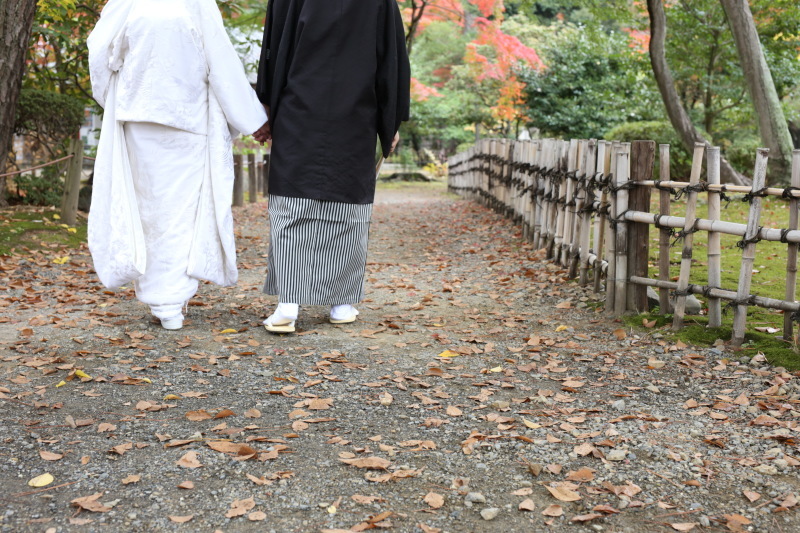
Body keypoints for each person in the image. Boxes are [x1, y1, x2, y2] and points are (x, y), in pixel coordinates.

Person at [87, 0, 269, 330]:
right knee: (179, 214)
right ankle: (170, 299)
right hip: (186, 116)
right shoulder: (197, 4)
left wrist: (118, 95)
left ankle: (164, 299)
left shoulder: (127, 3)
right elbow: (221, 63)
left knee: (150, 211)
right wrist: (252, 119)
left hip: (139, 115)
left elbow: (100, 54)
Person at [254, 0, 410, 333]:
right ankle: (341, 303)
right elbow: (391, 58)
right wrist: (390, 121)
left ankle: (288, 304)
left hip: (298, 110)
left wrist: (265, 106)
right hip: (355, 115)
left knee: (292, 206)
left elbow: (273, 48)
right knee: (348, 210)